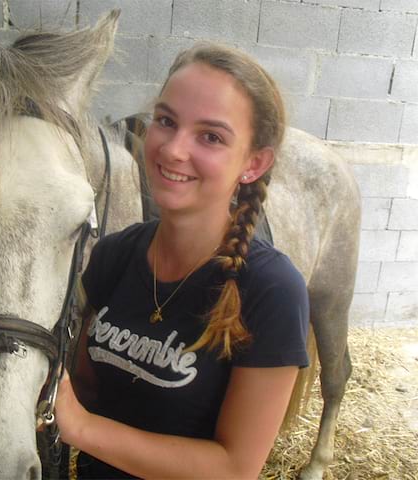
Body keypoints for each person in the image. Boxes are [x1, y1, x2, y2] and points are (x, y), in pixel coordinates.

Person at [54, 42, 310, 479]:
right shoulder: (114, 254)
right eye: (166, 121)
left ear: (253, 163)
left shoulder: (271, 289)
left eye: (210, 136)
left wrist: (80, 428)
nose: (173, 149)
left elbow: (234, 469)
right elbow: (86, 388)